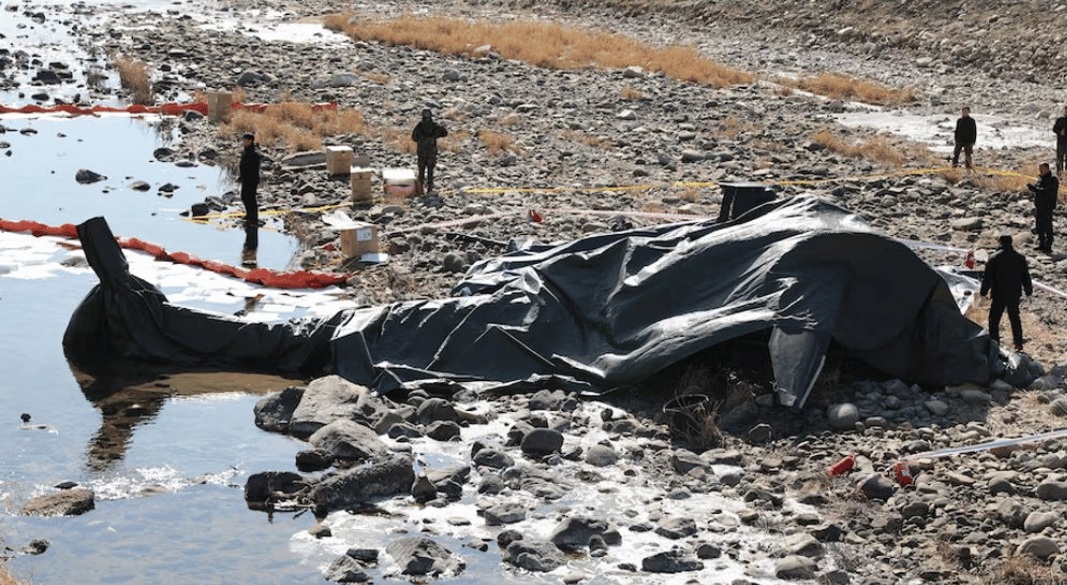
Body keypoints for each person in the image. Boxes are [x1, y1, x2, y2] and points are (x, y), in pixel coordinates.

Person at [980, 234, 1033, 352]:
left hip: (998, 294)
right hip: (1014, 294)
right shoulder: (1020, 257)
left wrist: (983, 294)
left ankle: (995, 344)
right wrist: (1029, 293)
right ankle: (1018, 344)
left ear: (1000, 243)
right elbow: (1026, 277)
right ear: (1011, 242)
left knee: (994, 320)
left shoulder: (993, 257)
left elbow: (987, 278)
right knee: (1015, 318)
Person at [411, 108, 447, 194]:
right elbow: (445, 133)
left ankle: (420, 190)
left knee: (421, 171)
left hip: (422, 152)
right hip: (431, 152)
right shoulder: (435, 126)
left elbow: (414, 138)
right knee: (430, 171)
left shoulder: (419, 126)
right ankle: (430, 189)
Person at [1028, 162, 1059, 253]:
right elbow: (1039, 190)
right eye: (1040, 169)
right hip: (1039, 206)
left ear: (1047, 169)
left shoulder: (1053, 180)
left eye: (1042, 169)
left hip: (1047, 207)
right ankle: (1041, 244)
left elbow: (1047, 191)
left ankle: (1048, 246)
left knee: (1047, 227)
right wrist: (1033, 188)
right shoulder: (1040, 179)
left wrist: (1035, 189)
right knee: (1039, 226)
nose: (1040, 171)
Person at [238, 132, 261, 250]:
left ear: (251, 141)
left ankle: (253, 217)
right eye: (243, 140)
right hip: (245, 179)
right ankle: (248, 215)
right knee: (244, 197)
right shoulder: (246, 151)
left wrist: (251, 179)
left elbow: (254, 169)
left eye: (246, 140)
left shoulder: (254, 153)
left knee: (250, 198)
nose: (244, 142)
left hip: (251, 180)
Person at [1054, 106, 1067, 174]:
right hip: (1061, 143)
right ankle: (1060, 175)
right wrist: (1059, 132)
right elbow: (1054, 129)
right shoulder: (1060, 120)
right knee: (1059, 160)